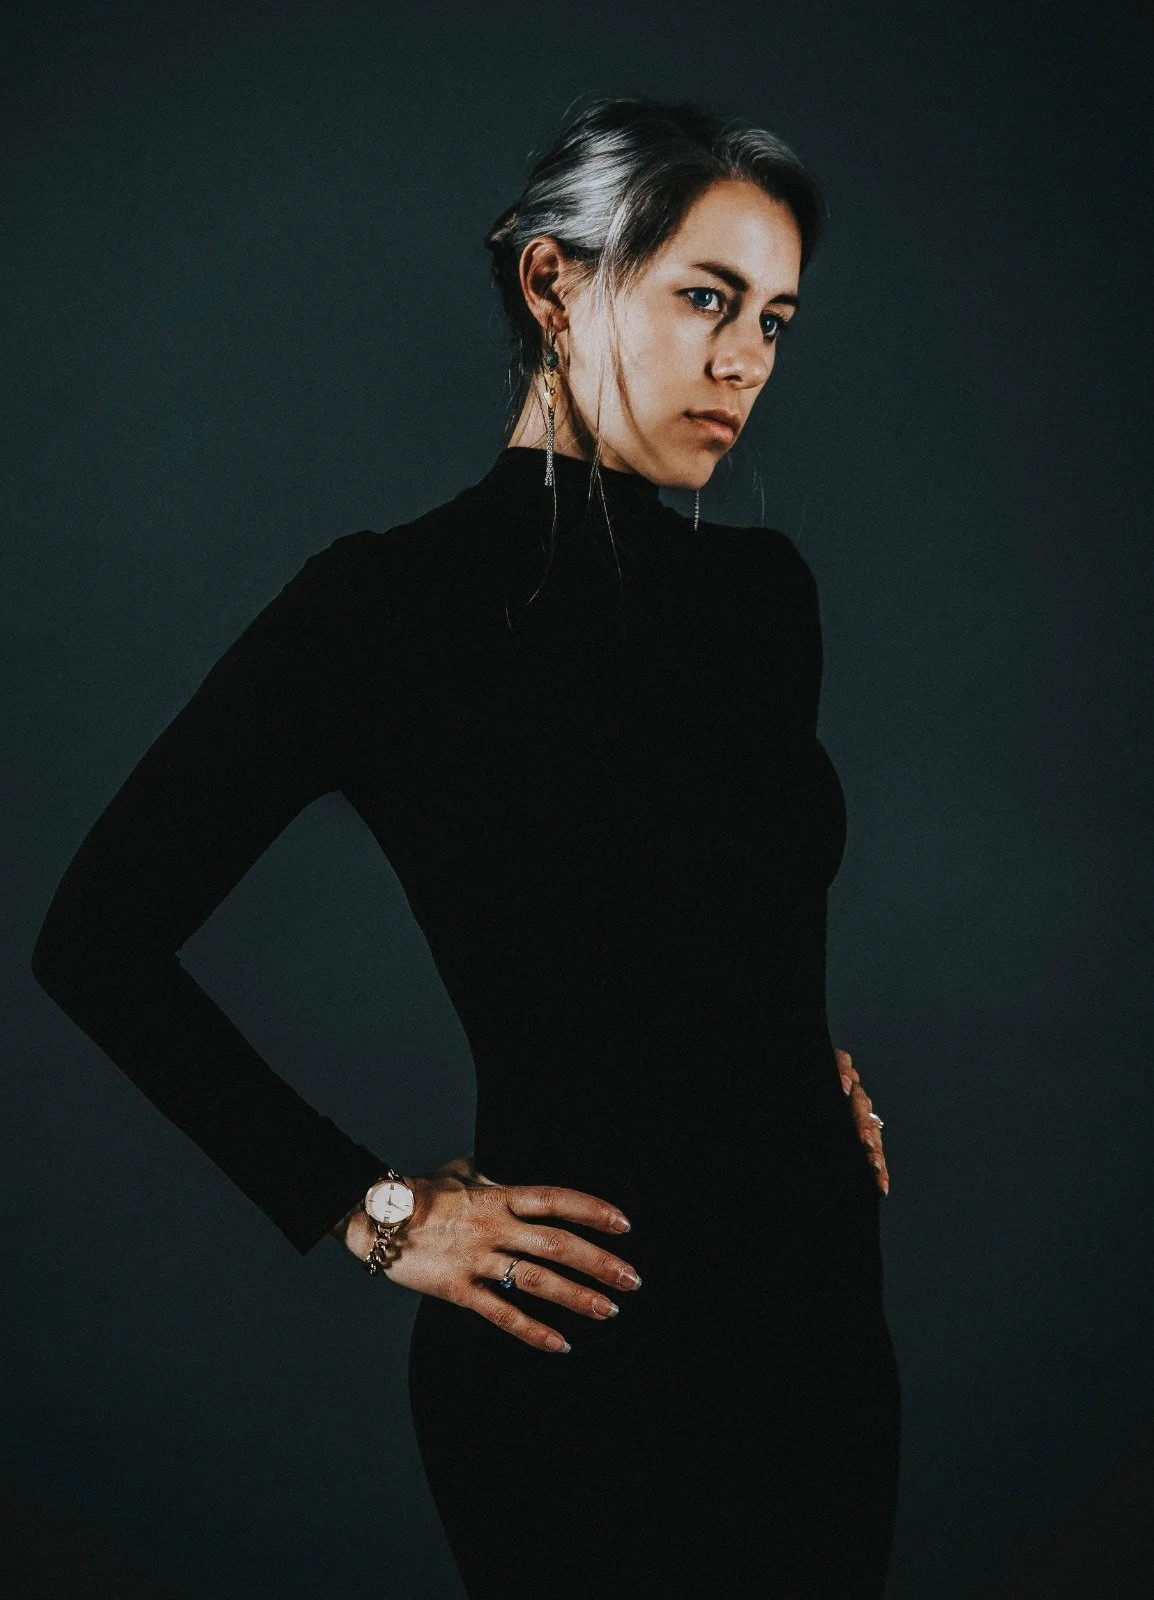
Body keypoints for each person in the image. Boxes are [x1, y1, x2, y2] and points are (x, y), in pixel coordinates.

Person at [31, 95, 899, 1599]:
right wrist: (370, 1211)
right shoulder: (380, 612)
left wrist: (785, 1048)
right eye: (706, 298)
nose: (748, 359)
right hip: (579, 1363)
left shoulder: (765, 599)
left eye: (774, 317)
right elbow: (96, 943)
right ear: (552, 281)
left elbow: (701, 898)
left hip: (819, 1342)